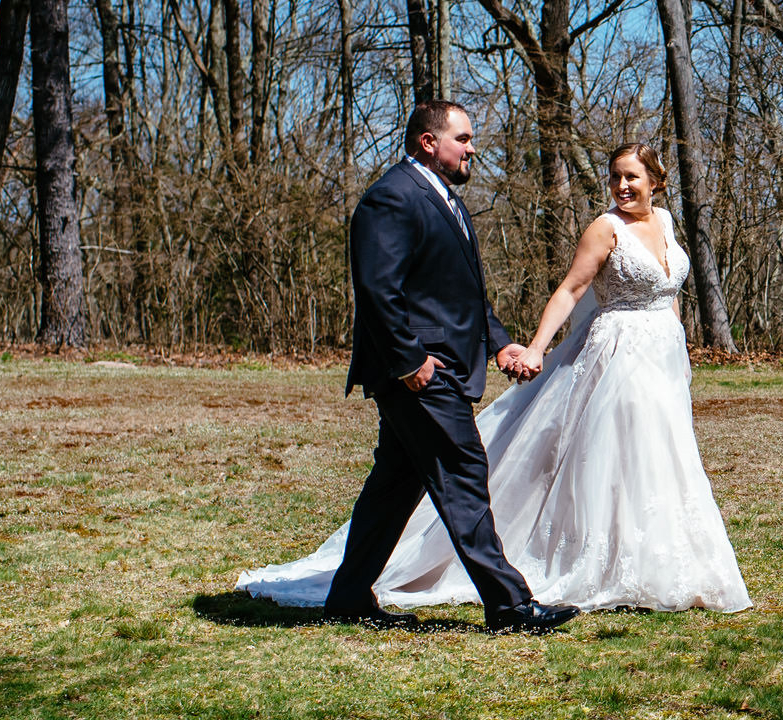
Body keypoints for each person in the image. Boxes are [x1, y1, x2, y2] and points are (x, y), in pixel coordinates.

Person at [240, 140, 751, 616]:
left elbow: (668, 288)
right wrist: (533, 347)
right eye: (615, 176)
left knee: (666, 453)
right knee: (609, 455)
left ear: (656, 182)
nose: (621, 186)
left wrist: (677, 343)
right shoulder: (604, 227)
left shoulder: (665, 221)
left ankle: (660, 556)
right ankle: (527, 594)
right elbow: (570, 291)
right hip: (616, 353)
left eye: (631, 177)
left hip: (663, 353)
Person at [237, 99, 580, 635]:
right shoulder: (392, 198)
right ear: (429, 142)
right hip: (421, 374)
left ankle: (349, 596)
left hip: (434, 368)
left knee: (394, 485)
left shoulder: (447, 201)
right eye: (463, 139)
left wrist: (501, 345)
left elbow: (460, 295)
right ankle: (510, 605)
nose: (472, 148)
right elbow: (378, 291)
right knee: (464, 473)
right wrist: (408, 362)